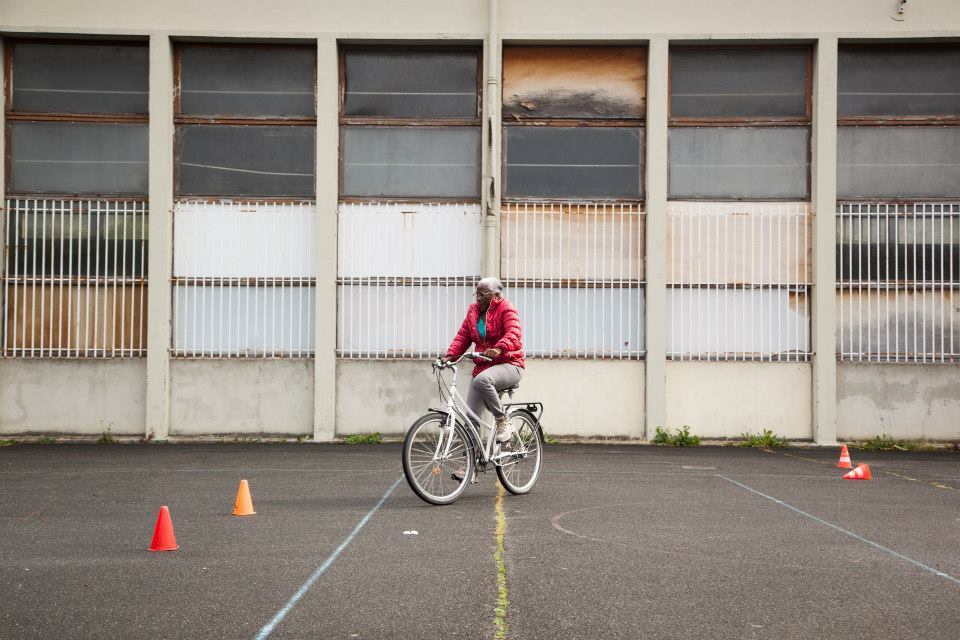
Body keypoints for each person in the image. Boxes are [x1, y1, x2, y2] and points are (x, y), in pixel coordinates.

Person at [441, 277, 525, 453]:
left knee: (481, 380)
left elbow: (514, 332)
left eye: (482, 294)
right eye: (476, 294)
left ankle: (503, 421)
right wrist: (449, 356)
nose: (478, 299)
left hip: (510, 364)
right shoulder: (473, 311)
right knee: (471, 417)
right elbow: (463, 336)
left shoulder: (506, 308)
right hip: (483, 366)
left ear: (496, 295)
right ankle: (472, 464)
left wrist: (499, 348)